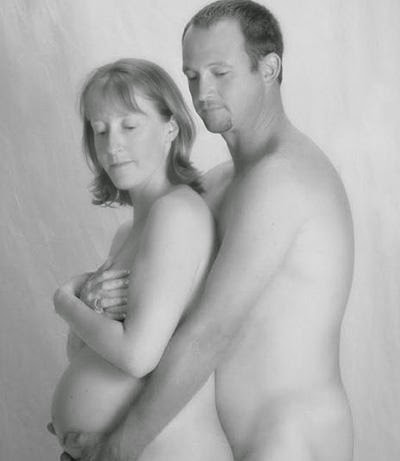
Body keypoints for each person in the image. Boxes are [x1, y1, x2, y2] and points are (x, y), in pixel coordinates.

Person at [56, 1, 355, 460]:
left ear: (269, 68)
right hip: (225, 439)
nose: (202, 91)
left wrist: (118, 446)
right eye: (192, 75)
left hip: (287, 438)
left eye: (220, 72)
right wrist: (93, 300)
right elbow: (162, 316)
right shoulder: (216, 184)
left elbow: (209, 333)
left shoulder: (284, 179)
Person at [49, 57, 234, 461]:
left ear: (171, 128)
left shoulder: (175, 214)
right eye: (100, 130)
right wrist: (90, 307)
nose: (111, 145)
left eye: (129, 126)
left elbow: (137, 356)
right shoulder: (128, 233)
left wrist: (65, 302)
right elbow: (86, 355)